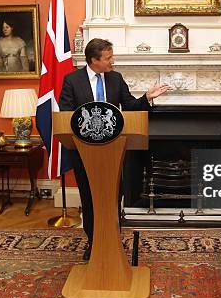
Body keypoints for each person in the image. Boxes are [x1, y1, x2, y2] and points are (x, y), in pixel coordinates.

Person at [59, 38, 171, 260]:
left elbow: (129, 106)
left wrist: (147, 98)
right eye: (108, 58)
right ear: (94, 60)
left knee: (112, 196)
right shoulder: (72, 81)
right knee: (90, 197)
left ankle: (112, 237)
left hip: (114, 151)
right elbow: (66, 115)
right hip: (84, 152)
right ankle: (93, 241)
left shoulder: (116, 79)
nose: (112, 61)